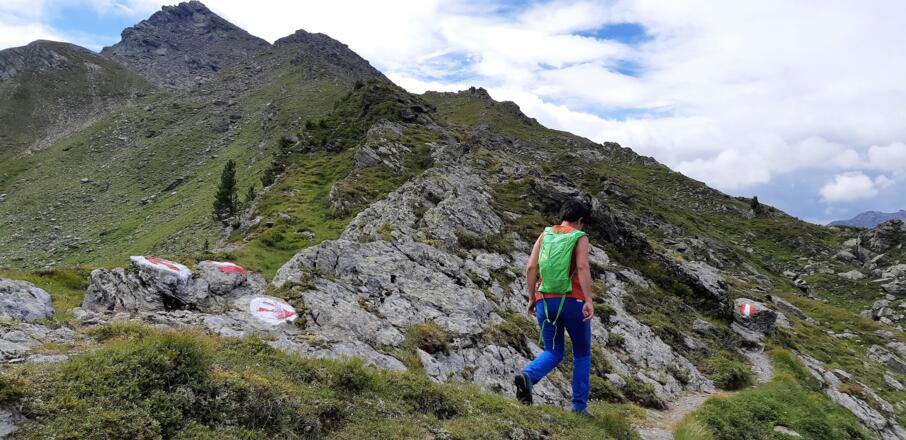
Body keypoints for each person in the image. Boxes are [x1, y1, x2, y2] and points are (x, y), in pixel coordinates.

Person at [514, 197, 595, 417]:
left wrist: (532, 297)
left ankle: (528, 376)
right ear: (580, 220)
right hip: (572, 301)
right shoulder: (580, 236)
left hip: (544, 301)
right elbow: (581, 266)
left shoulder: (545, 234)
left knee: (553, 351)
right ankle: (579, 407)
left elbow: (531, 268)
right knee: (581, 354)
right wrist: (588, 299)